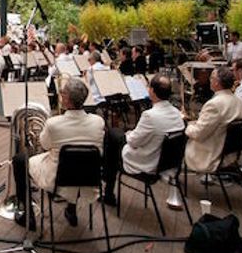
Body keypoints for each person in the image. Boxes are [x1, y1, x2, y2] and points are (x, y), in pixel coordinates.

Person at [12, 77, 105, 229]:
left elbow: (43, 144)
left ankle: (27, 215)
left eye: (63, 93)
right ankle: (71, 209)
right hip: (89, 180)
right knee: (79, 160)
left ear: (67, 99)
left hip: (57, 180)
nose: (61, 95)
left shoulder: (53, 123)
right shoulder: (98, 121)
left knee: (19, 160)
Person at [102, 75, 185, 205]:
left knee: (112, 137)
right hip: (164, 162)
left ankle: (107, 187)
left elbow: (133, 142)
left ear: (152, 91)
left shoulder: (149, 116)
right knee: (115, 137)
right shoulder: (176, 113)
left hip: (147, 162)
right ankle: (107, 182)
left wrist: (129, 133)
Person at [185, 66, 242, 174]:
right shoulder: (239, 100)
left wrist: (186, 125)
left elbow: (198, 134)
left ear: (217, 83)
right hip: (230, 152)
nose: (209, 80)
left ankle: (171, 180)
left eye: (212, 78)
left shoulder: (214, 104)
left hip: (211, 153)